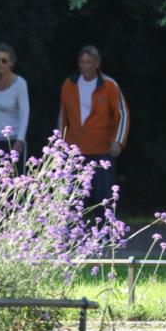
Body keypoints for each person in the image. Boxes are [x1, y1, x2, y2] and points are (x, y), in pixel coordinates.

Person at [57, 45, 129, 211]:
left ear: (97, 64)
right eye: (82, 62)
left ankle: (107, 233)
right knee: (72, 197)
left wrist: (118, 142)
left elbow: (122, 114)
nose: (84, 66)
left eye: (88, 62)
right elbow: (63, 116)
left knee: (105, 198)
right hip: (75, 149)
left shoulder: (109, 85)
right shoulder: (69, 84)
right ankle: (69, 234)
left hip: (102, 149)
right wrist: (60, 145)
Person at [0, 43, 29, 172]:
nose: (0, 63)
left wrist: (20, 140)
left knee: (14, 183)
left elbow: (25, 113)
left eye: (4, 61)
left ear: (11, 63)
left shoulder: (20, 84)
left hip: (13, 140)